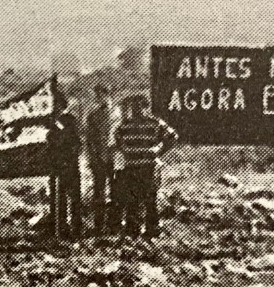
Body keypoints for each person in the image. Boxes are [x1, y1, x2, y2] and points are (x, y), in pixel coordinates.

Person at [113, 94, 178, 240]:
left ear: (146, 108)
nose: (137, 110)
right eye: (134, 107)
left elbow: (173, 136)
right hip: (131, 168)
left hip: (149, 167)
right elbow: (116, 138)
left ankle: (152, 231)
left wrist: (159, 150)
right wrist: (124, 150)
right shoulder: (125, 125)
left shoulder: (155, 123)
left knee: (150, 199)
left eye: (140, 107)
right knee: (132, 201)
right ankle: (132, 232)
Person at [49, 97, 83, 239]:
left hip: (68, 164)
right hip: (59, 165)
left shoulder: (68, 121)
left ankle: (74, 229)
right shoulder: (54, 122)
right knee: (59, 198)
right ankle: (61, 228)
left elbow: (71, 139)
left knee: (72, 198)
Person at [86, 85, 116, 235]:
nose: (99, 98)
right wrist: (91, 159)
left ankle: (114, 224)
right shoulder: (93, 116)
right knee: (99, 192)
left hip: (116, 159)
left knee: (116, 191)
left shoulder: (118, 114)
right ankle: (99, 225)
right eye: (97, 96)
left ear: (108, 95)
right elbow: (89, 141)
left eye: (101, 95)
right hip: (100, 159)